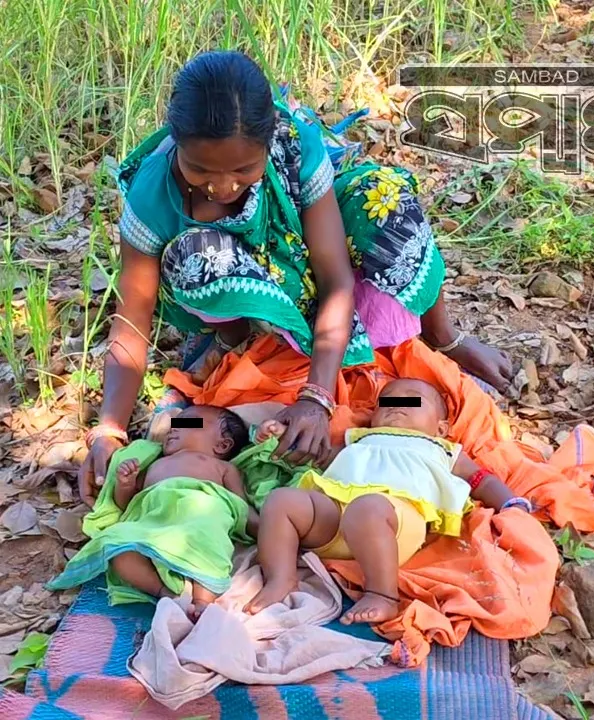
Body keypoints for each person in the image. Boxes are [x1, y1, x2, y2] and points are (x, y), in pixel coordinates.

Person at [77, 49, 515, 508]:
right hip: (251, 281)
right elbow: (131, 323)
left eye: (244, 170)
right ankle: (238, 340)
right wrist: (110, 428)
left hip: (318, 269)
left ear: (268, 144)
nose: (222, 186)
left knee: (382, 197)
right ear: (177, 143)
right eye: (201, 170)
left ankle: (441, 335)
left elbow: (336, 280)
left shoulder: (294, 145)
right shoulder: (153, 196)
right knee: (194, 256)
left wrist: (317, 397)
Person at [245, 378, 531, 624]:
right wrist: (282, 436)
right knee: (282, 500)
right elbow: (319, 457)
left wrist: (512, 504)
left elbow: (482, 479)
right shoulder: (357, 439)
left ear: (441, 428)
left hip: (394, 525)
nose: (396, 407)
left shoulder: (443, 450)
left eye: (412, 403)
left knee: (368, 507)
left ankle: (382, 594)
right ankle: (280, 577)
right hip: (336, 519)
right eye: (388, 402)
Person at [50, 405, 254, 619]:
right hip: (152, 522)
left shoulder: (223, 468)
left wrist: (266, 528)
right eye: (175, 422)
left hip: (199, 515)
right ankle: (164, 594)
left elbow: (239, 506)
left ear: (222, 445)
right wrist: (125, 483)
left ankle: (202, 601)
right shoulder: (154, 462)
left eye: (188, 422)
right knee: (117, 545)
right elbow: (126, 505)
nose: (174, 427)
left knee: (207, 534)